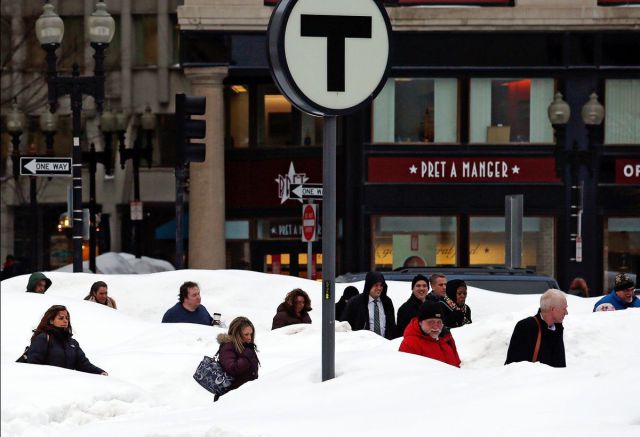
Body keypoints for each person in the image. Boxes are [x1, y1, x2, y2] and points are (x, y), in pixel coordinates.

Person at [25, 305, 107, 375]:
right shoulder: (43, 338)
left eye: (67, 318)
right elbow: (33, 366)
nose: (65, 321)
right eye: (61, 318)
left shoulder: (73, 343)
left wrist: (100, 372)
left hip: (68, 386)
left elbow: (83, 364)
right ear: (51, 321)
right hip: (47, 386)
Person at [505, 289, 567, 368]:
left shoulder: (557, 329)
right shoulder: (526, 327)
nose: (566, 312)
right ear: (553, 309)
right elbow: (513, 366)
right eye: (564, 309)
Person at [399, 302, 461, 368]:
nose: (436, 327)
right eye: (431, 322)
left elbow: (457, 364)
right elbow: (407, 373)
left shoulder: (447, 338)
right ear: (420, 322)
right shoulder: (410, 344)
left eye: (439, 322)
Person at [341, 271, 397, 339]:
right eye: (376, 285)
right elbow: (345, 325)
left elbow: (392, 326)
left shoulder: (387, 302)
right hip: (363, 345)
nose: (379, 288)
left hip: (384, 345)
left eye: (381, 285)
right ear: (369, 285)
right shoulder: (355, 302)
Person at [215, 316, 260, 401]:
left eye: (251, 334)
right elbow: (232, 369)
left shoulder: (246, 347)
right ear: (236, 334)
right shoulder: (228, 347)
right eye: (246, 334)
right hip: (229, 398)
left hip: (244, 395)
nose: (249, 337)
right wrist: (248, 353)